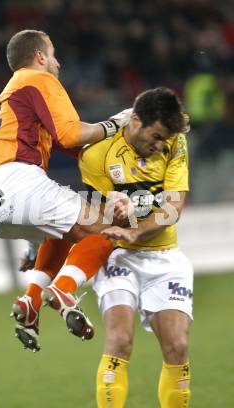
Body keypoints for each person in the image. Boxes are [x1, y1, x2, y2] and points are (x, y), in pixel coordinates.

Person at [0, 29, 133, 352]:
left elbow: (67, 145)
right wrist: (118, 123)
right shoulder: (37, 78)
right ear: (40, 57)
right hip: (18, 180)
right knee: (115, 223)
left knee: (62, 230)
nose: (58, 63)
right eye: (54, 54)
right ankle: (65, 289)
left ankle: (30, 301)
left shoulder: (9, 95)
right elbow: (73, 134)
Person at [30, 87, 192, 407]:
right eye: (155, 136)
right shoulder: (97, 154)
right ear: (135, 121)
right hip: (119, 255)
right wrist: (117, 217)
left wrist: (138, 229)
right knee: (119, 340)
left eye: (164, 139)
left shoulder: (176, 141)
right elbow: (100, 217)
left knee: (178, 346)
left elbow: (173, 208)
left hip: (165, 255)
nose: (159, 145)